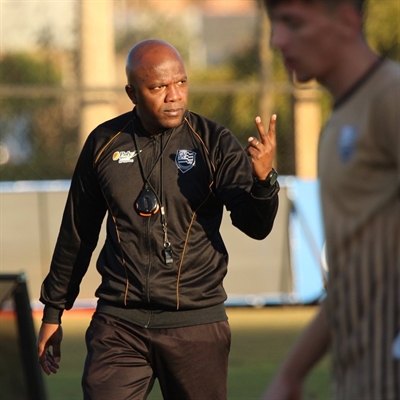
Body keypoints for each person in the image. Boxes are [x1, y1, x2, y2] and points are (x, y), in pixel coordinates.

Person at [37, 39, 280, 400]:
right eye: (159, 87)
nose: (174, 95)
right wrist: (53, 311)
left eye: (180, 83)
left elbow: (255, 226)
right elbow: (77, 231)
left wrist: (264, 182)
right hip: (119, 324)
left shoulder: (214, 142)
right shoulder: (104, 142)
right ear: (132, 92)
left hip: (196, 324)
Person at [262, 0, 400, 399]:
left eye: (292, 23)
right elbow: (353, 278)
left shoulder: (390, 98)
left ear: (346, 20)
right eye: (274, 24)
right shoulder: (339, 121)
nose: (277, 40)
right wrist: (291, 374)